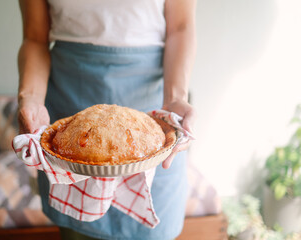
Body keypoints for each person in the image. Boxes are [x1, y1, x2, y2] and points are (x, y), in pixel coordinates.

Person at [17, 0, 196, 239]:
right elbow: (35, 38)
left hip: (150, 115)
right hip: (70, 106)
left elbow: (181, 28)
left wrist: (175, 99)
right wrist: (30, 98)